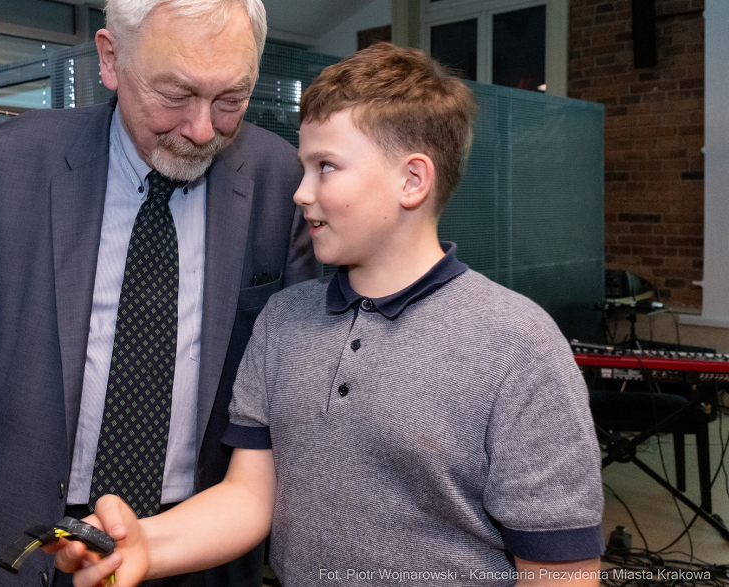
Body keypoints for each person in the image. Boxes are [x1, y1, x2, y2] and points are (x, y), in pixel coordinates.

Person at [53, 43, 606, 587]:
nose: (299, 193)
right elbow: (250, 496)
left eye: (326, 167)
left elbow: (562, 570)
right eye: (304, 167)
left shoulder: (516, 345)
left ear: (412, 180)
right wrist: (148, 544)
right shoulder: (283, 321)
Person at [0, 0, 316, 587]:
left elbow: (289, 401)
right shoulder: (12, 167)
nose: (202, 128)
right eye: (175, 93)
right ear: (111, 59)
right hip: (24, 546)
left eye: (231, 98)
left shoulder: (281, 180)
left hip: (198, 546)